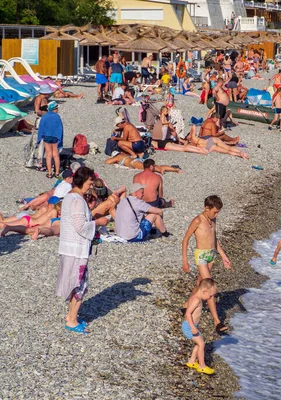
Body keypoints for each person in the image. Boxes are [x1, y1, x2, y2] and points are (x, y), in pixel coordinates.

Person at [182, 195, 231, 334]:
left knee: (200, 284)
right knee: (209, 287)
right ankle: (217, 321)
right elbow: (185, 240)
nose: (216, 214)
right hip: (201, 256)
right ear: (206, 208)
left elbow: (214, 239)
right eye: (214, 211)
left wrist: (223, 255)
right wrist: (185, 260)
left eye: (218, 212)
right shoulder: (197, 221)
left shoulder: (213, 220)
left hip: (211, 255)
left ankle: (187, 305)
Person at [56, 166, 97, 334]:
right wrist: (97, 224)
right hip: (76, 249)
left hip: (68, 246)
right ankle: (72, 320)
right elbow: (80, 226)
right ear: (81, 181)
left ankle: (70, 316)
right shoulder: (78, 200)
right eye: (89, 182)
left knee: (74, 282)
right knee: (80, 285)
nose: (91, 185)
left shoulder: (69, 197)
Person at [182, 278, 217, 375]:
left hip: (192, 325)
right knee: (201, 344)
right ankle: (202, 366)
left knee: (199, 342)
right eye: (210, 295)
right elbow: (188, 313)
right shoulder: (196, 299)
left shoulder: (197, 298)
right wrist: (192, 327)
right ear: (204, 290)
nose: (210, 298)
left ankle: (192, 361)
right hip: (189, 326)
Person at [38, 101, 64, 178]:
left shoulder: (44, 116)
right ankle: (57, 173)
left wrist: (39, 139)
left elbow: (41, 128)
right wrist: (60, 138)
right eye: (57, 108)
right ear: (54, 109)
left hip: (46, 136)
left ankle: (49, 173)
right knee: (56, 155)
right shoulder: (57, 116)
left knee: (48, 155)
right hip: (55, 136)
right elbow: (60, 128)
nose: (57, 109)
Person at [105, 152, 184, 172]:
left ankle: (160, 171)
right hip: (138, 160)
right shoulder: (124, 154)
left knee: (150, 168)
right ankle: (174, 169)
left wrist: (115, 161)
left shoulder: (118, 157)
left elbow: (107, 162)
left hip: (134, 163)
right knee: (156, 165)